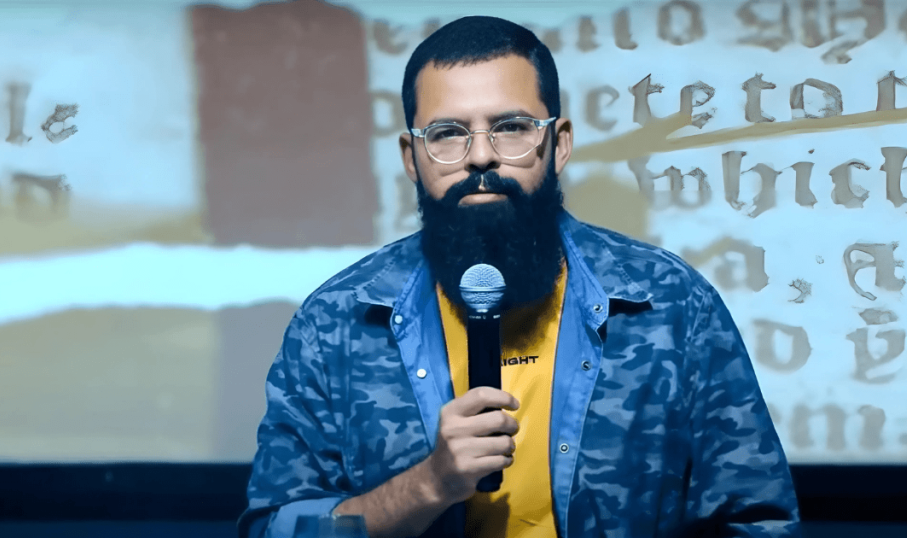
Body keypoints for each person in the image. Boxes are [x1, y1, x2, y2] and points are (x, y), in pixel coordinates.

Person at [238, 15, 800, 538]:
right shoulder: (336, 322)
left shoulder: (670, 304)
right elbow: (272, 528)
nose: (481, 157)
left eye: (511, 127)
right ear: (412, 158)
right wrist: (428, 484)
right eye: (448, 133)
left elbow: (757, 521)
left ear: (559, 144)